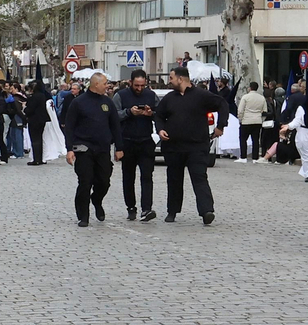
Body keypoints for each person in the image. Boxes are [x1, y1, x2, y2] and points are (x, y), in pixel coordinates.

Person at [156, 65, 228, 224]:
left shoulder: (201, 95)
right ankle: (172, 211)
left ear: (180, 79)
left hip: (196, 146)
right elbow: (159, 116)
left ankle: (206, 211)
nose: (170, 81)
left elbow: (222, 104)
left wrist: (220, 126)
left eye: (172, 78)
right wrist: (160, 129)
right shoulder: (169, 98)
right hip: (174, 147)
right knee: (174, 179)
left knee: (199, 178)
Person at [60, 72, 123, 227]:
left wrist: (119, 148)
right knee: (85, 181)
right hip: (83, 148)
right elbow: (70, 127)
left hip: (102, 148)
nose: (107, 86)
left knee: (104, 181)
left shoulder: (107, 102)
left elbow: (115, 126)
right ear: (96, 84)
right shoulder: (79, 102)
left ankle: (97, 200)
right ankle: (83, 215)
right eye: (105, 83)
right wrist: (69, 149)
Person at [116, 70, 158, 221]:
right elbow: (114, 116)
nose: (139, 89)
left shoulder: (151, 95)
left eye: (142, 85)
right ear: (130, 83)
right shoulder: (121, 95)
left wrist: (150, 113)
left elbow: (160, 114)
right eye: (136, 85)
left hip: (146, 140)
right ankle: (131, 207)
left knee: (147, 176)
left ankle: (146, 208)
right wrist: (128, 112)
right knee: (128, 177)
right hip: (127, 141)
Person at [235, 82, 266, 163]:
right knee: (255, 140)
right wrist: (261, 119)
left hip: (246, 120)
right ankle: (255, 158)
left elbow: (240, 110)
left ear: (250, 88)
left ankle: (243, 157)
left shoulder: (245, 97)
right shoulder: (262, 98)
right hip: (257, 121)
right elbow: (265, 111)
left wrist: (240, 118)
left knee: (243, 139)